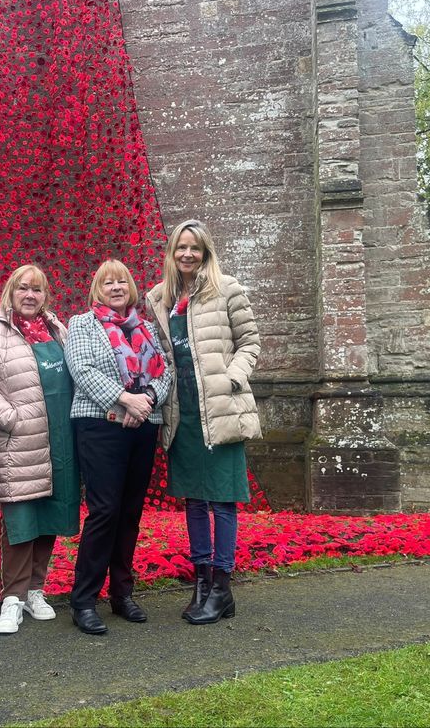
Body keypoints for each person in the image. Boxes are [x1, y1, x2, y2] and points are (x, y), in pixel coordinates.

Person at [146, 219, 262, 625]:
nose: (188, 255)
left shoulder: (227, 289)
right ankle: (200, 582)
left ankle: (222, 587)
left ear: (206, 252)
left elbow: (250, 342)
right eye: (181, 248)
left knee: (222, 502)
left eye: (195, 248)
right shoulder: (158, 298)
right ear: (171, 253)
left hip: (222, 411)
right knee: (194, 501)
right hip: (184, 417)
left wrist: (232, 377)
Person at [0, 265, 81, 634]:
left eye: (37, 290)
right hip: (17, 440)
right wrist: (11, 418)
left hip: (58, 439)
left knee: (49, 512)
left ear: (46, 295)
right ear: (10, 292)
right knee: (20, 518)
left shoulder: (58, 331)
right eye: (23, 289)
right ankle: (12, 598)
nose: (30, 295)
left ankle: (35, 589)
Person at [64, 259, 173, 635]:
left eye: (121, 282)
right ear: (97, 289)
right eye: (107, 282)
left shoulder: (143, 327)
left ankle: (122, 594)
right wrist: (126, 399)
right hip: (100, 427)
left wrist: (145, 402)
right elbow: (82, 369)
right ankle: (83, 600)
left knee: (129, 512)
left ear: (131, 288)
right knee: (104, 511)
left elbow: (165, 372)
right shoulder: (82, 324)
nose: (115, 287)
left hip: (142, 428)